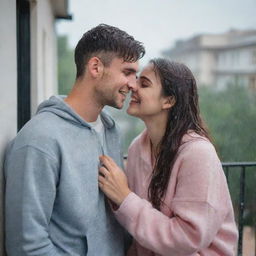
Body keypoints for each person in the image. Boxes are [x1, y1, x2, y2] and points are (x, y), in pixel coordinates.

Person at [4, 24, 145, 256]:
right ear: (96, 67)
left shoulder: (111, 131)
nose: (133, 84)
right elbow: (27, 246)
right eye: (127, 72)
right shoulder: (39, 140)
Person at [98, 58, 238, 256]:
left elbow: (188, 238)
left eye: (144, 83)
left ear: (169, 100)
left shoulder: (198, 153)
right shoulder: (138, 147)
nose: (133, 87)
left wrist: (124, 198)